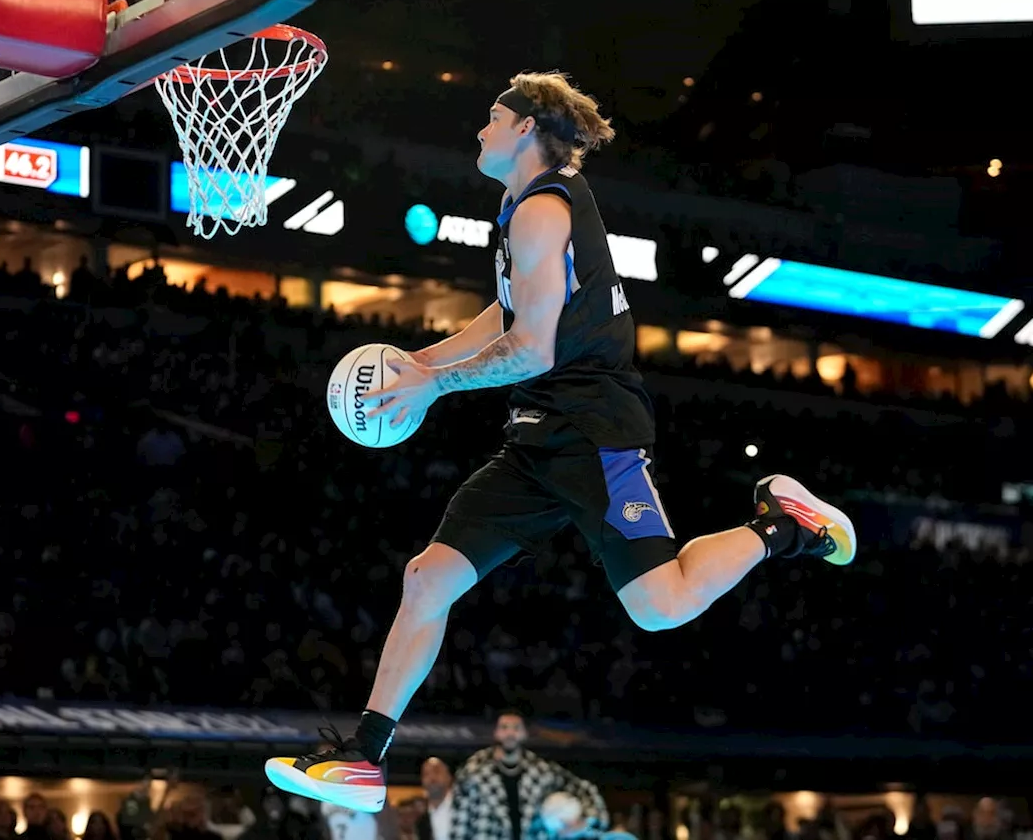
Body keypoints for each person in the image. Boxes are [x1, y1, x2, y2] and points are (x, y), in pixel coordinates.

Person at [263, 69, 857, 813]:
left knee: (660, 604)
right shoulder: (522, 206)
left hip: (593, 428)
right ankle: (365, 757)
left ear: (526, 129)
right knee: (427, 577)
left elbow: (535, 348)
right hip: (538, 433)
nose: (480, 129)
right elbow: (507, 313)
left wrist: (434, 388)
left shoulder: (543, 212)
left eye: (491, 116)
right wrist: (423, 361)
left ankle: (781, 525)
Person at [448, 712, 605, 840]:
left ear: (524, 734)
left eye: (516, 728)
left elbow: (584, 787)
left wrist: (588, 820)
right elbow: (459, 821)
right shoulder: (473, 772)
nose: (510, 733)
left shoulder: (542, 771)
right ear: (496, 733)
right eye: (504, 727)